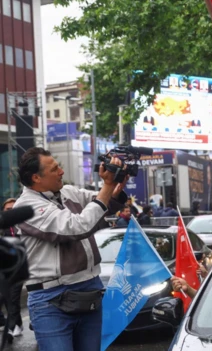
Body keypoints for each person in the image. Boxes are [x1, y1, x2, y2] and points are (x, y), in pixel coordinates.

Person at [12, 147, 127, 351]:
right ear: (36, 178)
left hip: (89, 288)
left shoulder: (67, 192)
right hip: (51, 298)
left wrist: (116, 183)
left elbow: (102, 202)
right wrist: (107, 186)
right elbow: (75, 227)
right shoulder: (25, 207)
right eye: (55, 169)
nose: (61, 172)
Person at [1, 198, 24, 343]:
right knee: (7, 298)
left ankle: (14, 325)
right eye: (8, 209)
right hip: (5, 270)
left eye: (13, 209)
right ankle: (17, 323)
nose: (11, 212)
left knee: (14, 297)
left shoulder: (23, 225)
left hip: (21, 268)